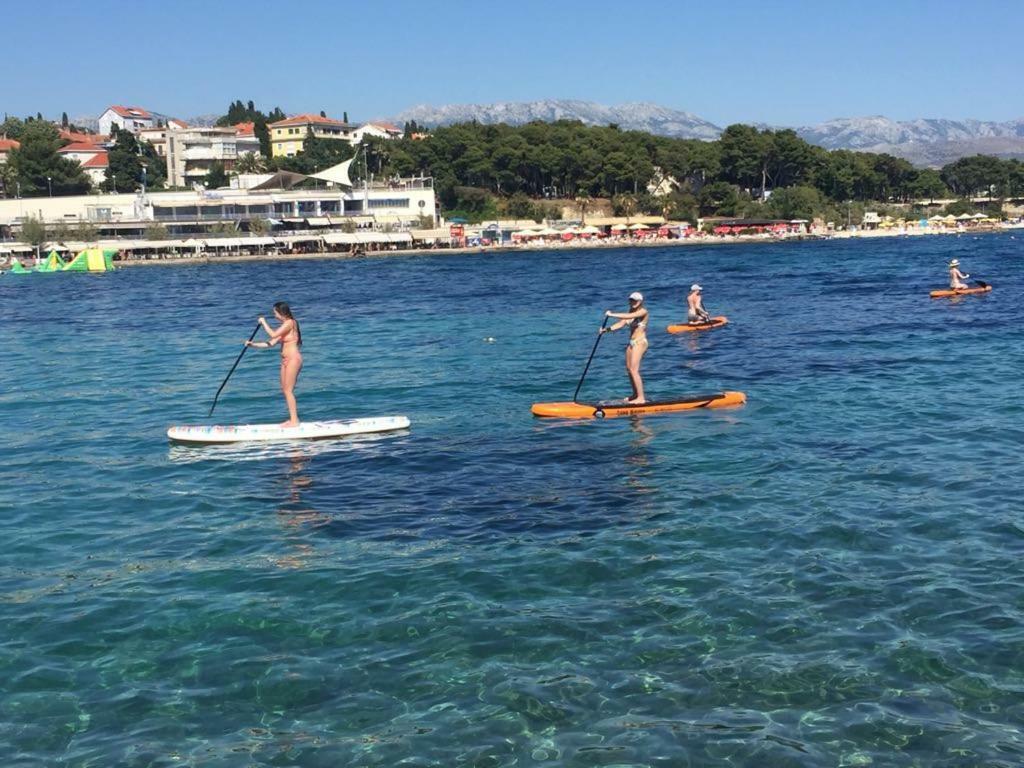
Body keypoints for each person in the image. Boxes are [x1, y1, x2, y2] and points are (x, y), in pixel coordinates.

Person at [245, 301, 303, 427]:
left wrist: (263, 322)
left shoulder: (290, 323)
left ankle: (294, 421)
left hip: (293, 359)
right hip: (285, 360)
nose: (274, 315)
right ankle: (293, 419)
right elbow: (270, 342)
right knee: (285, 390)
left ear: (281, 312)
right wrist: (252, 345)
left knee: (288, 390)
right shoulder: (284, 327)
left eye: (275, 313)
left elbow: (273, 334)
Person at [602, 292, 649, 404]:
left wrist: (611, 315)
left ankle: (641, 398)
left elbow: (629, 317)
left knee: (634, 370)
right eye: (631, 300)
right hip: (631, 343)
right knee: (629, 370)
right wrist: (607, 330)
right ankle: (635, 395)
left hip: (640, 342)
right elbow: (621, 323)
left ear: (640, 301)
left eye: (635, 300)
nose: (633, 302)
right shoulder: (630, 311)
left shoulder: (643, 311)